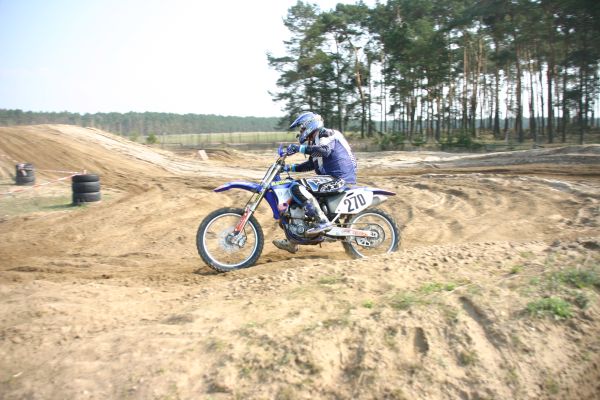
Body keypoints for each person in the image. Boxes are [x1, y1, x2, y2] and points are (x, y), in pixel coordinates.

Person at [273, 111, 358, 254]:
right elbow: (311, 164)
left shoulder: (326, 134)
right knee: (293, 195)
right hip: (331, 178)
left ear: (309, 125)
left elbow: (325, 151)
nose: (300, 132)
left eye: (302, 128)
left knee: (296, 187)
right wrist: (288, 168)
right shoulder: (316, 140)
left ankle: (322, 221)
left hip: (339, 178)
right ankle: (293, 240)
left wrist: (299, 148)